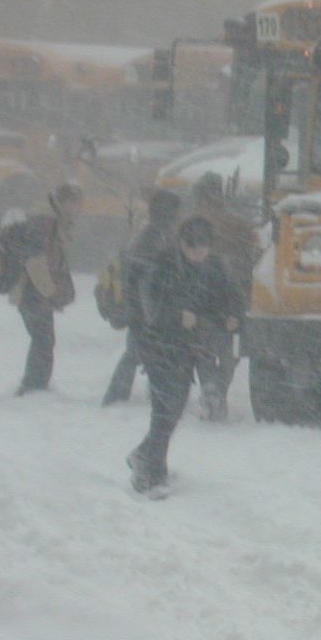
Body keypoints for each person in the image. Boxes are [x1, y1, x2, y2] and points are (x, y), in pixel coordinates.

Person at [127, 216, 243, 493]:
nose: (199, 254)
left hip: (185, 346)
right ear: (181, 243)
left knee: (173, 408)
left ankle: (148, 459)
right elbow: (150, 308)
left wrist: (233, 314)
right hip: (157, 344)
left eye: (204, 248)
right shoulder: (162, 266)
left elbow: (229, 294)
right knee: (166, 408)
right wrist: (177, 316)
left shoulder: (212, 266)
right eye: (193, 248)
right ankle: (148, 473)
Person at [102, 188, 183, 406]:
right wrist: (150, 314)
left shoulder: (153, 234)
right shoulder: (154, 237)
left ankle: (120, 394)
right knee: (137, 352)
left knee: (137, 352)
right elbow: (146, 279)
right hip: (144, 307)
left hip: (140, 305)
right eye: (176, 212)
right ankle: (117, 396)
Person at [189, 173, 258, 417]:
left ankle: (210, 387)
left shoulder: (188, 225)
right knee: (230, 353)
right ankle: (219, 388)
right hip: (234, 300)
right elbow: (252, 258)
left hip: (198, 300)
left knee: (202, 350)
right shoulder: (239, 224)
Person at [11, 182, 82, 395]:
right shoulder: (44, 223)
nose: (76, 208)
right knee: (43, 339)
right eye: (73, 203)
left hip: (35, 291)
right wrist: (50, 292)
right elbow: (35, 262)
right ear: (61, 202)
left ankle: (36, 384)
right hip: (32, 292)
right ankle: (32, 386)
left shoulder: (52, 221)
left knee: (43, 339)